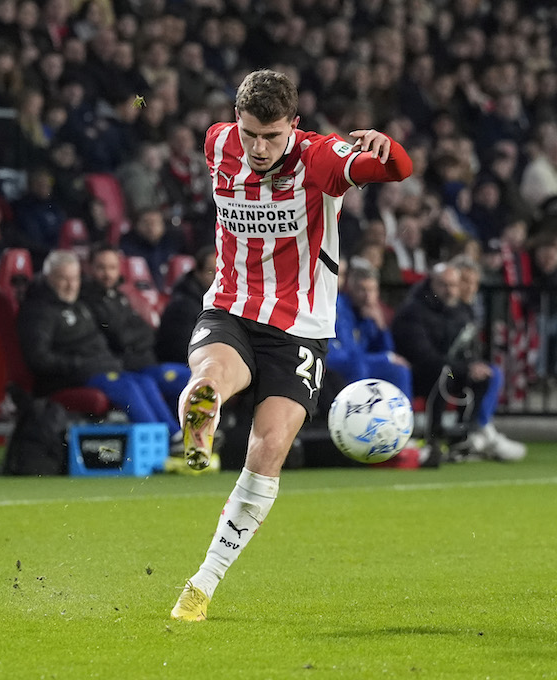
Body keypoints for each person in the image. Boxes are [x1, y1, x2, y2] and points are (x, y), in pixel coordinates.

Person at [170, 69, 413, 622]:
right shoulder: (217, 142)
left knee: (270, 445)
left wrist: (385, 145)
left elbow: (398, 170)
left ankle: (202, 583)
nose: (258, 148)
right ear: (235, 122)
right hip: (231, 305)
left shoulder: (320, 157)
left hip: (299, 327)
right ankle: (200, 426)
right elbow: (230, 142)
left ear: (294, 126)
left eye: (272, 136)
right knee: (209, 378)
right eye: (250, 134)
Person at [16, 249, 181, 435]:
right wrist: (78, 364)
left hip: (98, 369)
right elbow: (38, 358)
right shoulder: (38, 311)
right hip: (67, 379)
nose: (71, 286)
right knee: (126, 387)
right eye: (63, 279)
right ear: (49, 278)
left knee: (144, 382)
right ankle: (162, 438)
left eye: (75, 279)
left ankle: (174, 434)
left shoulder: (78, 306)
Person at [391, 261, 525, 466]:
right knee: (443, 374)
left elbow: (468, 349)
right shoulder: (414, 311)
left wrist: (473, 365)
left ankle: (465, 435)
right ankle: (433, 437)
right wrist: (464, 367)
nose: (450, 290)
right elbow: (423, 355)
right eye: (443, 285)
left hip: (451, 370)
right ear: (431, 283)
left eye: (453, 285)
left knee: (483, 376)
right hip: (420, 372)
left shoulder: (461, 310)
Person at [81, 243, 191, 417]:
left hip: (145, 363)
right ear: (89, 267)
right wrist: (135, 337)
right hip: (128, 368)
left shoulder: (120, 297)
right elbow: (119, 337)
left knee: (192, 378)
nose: (107, 274)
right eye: (101, 267)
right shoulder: (86, 300)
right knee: (149, 383)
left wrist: (133, 336)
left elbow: (148, 333)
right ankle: (173, 432)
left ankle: (193, 428)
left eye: (112, 267)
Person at [326, 261, 412, 398]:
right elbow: (348, 353)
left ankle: (400, 411)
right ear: (351, 289)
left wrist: (381, 327)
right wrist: (386, 358)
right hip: (340, 363)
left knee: (399, 371)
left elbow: (387, 349)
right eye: (362, 290)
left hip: (363, 363)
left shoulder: (370, 313)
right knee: (358, 367)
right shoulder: (340, 308)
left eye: (372, 290)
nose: (368, 296)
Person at [155, 245, 216, 364]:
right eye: (210, 271)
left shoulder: (221, 301)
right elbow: (184, 349)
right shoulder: (183, 305)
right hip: (180, 365)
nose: (216, 277)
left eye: (220, 272)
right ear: (197, 273)